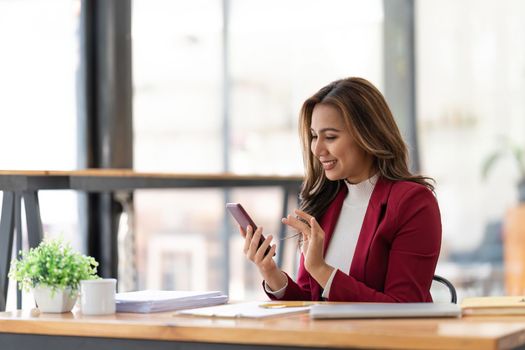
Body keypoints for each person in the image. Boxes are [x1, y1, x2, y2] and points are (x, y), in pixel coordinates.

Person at [240, 77, 441, 302]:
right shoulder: (326, 203)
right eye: (314, 136)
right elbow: (311, 299)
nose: (317, 148)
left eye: (331, 137)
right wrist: (270, 272)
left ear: (368, 135)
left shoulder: (413, 203)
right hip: (323, 337)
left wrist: (320, 269)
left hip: (379, 337)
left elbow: (405, 308)